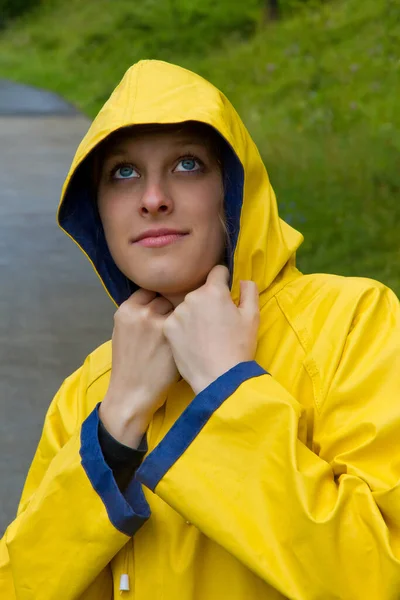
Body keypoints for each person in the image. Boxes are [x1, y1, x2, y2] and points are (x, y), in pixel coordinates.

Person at [0, 59, 399, 600]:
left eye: (188, 164)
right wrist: (115, 430)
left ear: (234, 190)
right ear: (97, 212)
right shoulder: (89, 390)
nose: (153, 198)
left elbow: (377, 577)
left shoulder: (354, 323)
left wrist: (227, 387)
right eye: (124, 172)